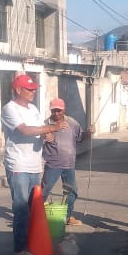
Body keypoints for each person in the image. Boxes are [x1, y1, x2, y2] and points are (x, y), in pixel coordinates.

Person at [1, 74, 68, 255]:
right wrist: (52, 128)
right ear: (18, 90)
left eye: (34, 89)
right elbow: (25, 130)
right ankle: (19, 250)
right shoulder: (10, 109)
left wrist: (48, 135)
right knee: (21, 209)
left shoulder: (33, 109)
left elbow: (41, 130)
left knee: (33, 209)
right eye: (29, 89)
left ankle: (31, 244)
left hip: (34, 165)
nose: (33, 92)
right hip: (18, 165)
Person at [41, 97, 89, 226]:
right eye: (54, 110)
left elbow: (80, 137)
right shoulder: (46, 124)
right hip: (52, 165)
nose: (56, 113)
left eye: (59, 110)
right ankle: (36, 217)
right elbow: (39, 140)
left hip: (69, 165)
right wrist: (46, 136)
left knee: (71, 191)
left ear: (64, 110)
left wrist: (89, 133)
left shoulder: (72, 123)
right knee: (44, 191)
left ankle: (67, 216)